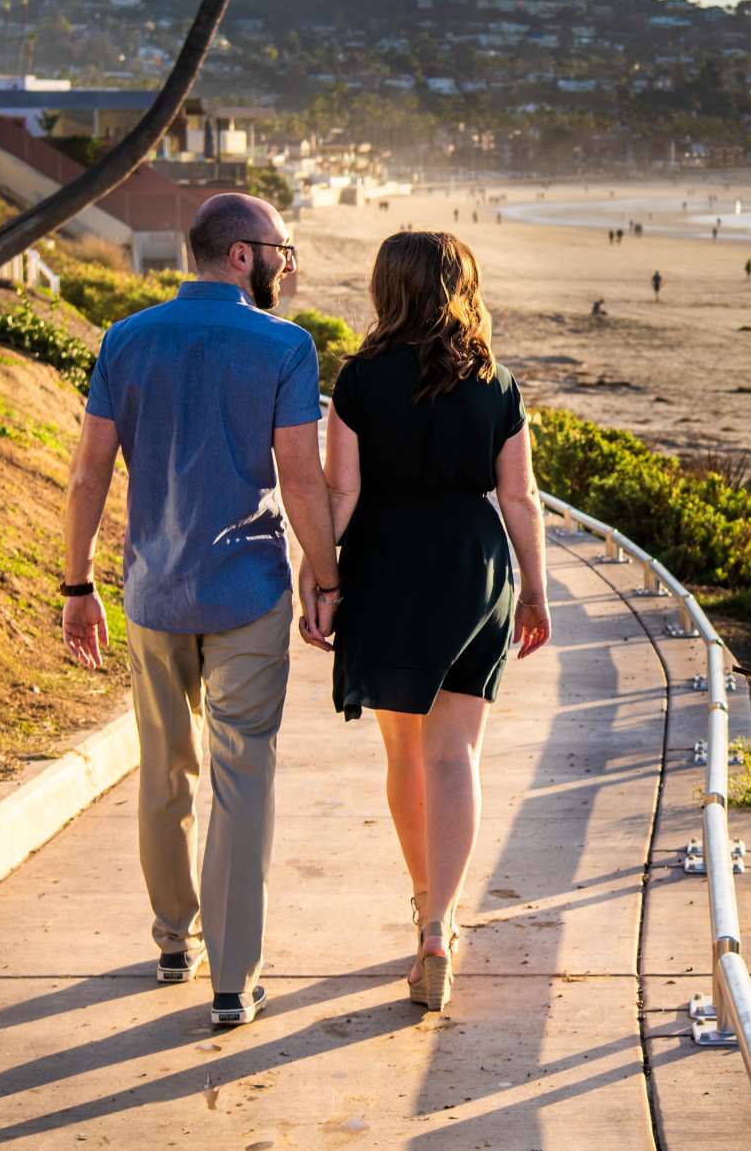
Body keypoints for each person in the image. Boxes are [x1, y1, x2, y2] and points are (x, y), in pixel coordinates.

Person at [59, 193, 335, 1031]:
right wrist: (327, 581)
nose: (288, 265)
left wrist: (78, 587)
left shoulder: (126, 339)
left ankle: (173, 939)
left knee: (163, 770)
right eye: (283, 251)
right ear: (244, 256)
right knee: (242, 777)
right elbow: (301, 476)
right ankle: (234, 981)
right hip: (247, 592)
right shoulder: (285, 346)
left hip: (151, 595)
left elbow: (87, 475)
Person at [311, 232, 552, 1015]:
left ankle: (423, 899)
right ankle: (441, 927)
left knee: (403, 751)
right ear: (463, 286)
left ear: (388, 289)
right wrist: (535, 591)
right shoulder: (496, 383)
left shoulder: (358, 381)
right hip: (469, 567)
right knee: (456, 753)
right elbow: (519, 499)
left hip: (384, 562)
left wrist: (317, 577)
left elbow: (338, 496)